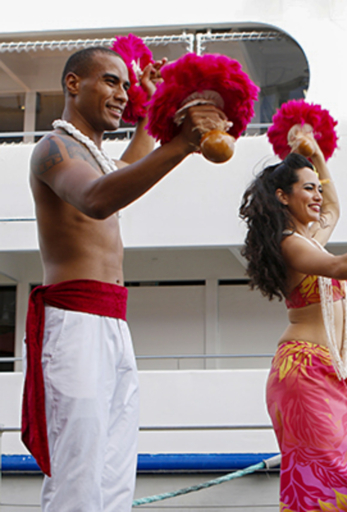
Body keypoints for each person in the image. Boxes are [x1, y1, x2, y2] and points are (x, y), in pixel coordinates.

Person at [24, 47, 226, 511]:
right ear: (74, 83)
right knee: (78, 473)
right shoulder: (53, 149)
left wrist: (153, 115)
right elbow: (96, 199)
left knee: (116, 474)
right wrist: (182, 143)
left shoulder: (92, 155)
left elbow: (127, 171)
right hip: (74, 323)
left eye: (127, 85)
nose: (123, 93)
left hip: (112, 323)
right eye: (112, 81)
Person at [239, 144, 347, 511]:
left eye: (318, 187)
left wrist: (317, 156)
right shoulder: (290, 245)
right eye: (308, 187)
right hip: (302, 372)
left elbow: (332, 210)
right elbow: (341, 267)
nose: (318, 195)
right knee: (337, 489)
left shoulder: (310, 240)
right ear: (282, 196)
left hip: (327, 372)